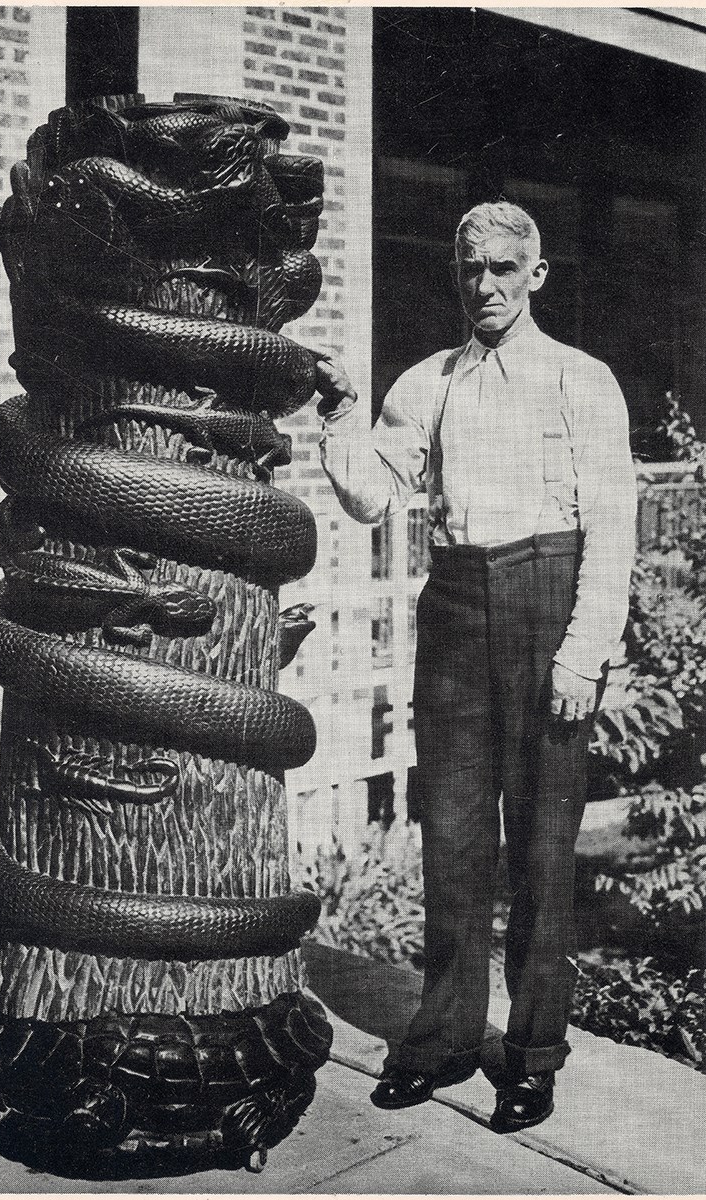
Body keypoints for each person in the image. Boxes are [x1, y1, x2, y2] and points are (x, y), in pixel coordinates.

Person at [313, 201, 637, 1132]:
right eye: (470, 270)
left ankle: (532, 1054)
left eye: (504, 268)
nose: (485, 286)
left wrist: (582, 655)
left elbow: (612, 531)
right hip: (454, 602)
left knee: (540, 844)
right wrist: (341, 418)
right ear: (454, 277)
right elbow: (374, 498)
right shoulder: (427, 383)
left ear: (536, 275)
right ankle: (445, 1037)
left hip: (547, 597)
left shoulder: (581, 380)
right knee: (450, 834)